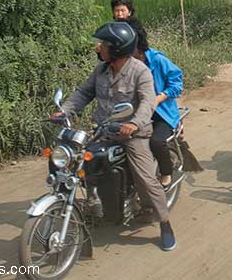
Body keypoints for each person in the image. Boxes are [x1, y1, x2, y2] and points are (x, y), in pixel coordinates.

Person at [53, 22, 176, 252]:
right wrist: (65, 111)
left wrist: (133, 124)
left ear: (117, 49)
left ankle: (165, 223)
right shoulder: (101, 70)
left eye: (103, 44)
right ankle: (94, 203)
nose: (98, 47)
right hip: (103, 130)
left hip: (133, 134)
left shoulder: (141, 71)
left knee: (146, 179)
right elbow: (84, 93)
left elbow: (148, 102)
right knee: (80, 162)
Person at [127, 19, 184, 188]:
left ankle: (166, 173)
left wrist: (160, 97)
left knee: (156, 141)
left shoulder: (158, 60)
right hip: (137, 114)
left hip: (162, 114)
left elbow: (177, 84)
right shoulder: (125, 64)